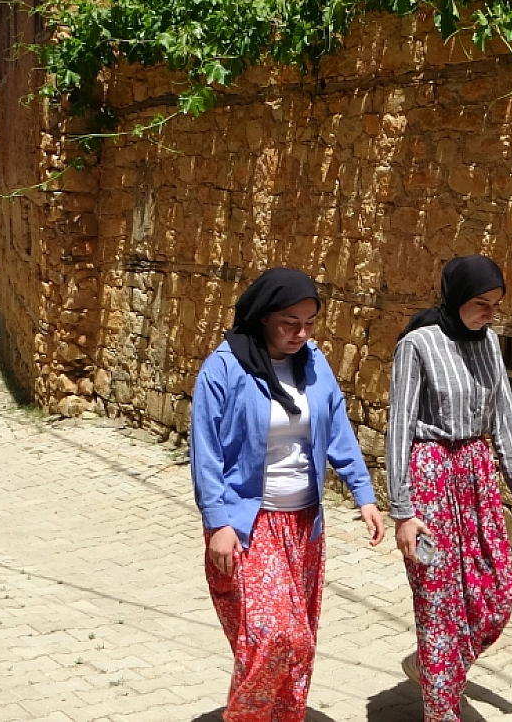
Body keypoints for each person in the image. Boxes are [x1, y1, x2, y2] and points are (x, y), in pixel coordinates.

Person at [191, 267, 386, 722]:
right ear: (263, 317)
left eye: (310, 323)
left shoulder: (314, 362)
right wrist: (218, 522)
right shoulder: (225, 368)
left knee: (299, 642)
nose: (302, 333)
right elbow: (206, 451)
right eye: (290, 323)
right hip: (248, 525)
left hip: (303, 526)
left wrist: (364, 494)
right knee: (277, 636)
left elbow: (336, 428)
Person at [387, 255, 512, 722]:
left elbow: (504, 415)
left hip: (477, 480)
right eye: (481, 304)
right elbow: (399, 428)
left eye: (496, 305)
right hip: (430, 480)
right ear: (456, 299)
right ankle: (440, 704)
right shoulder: (417, 345)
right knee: (438, 604)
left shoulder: (489, 342)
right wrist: (402, 510)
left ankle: (430, 666)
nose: (490, 314)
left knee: (495, 594)